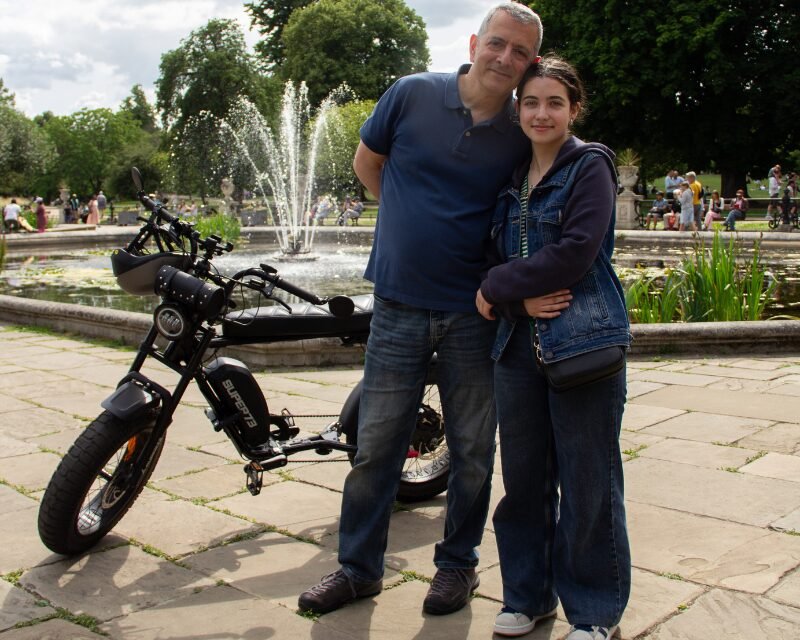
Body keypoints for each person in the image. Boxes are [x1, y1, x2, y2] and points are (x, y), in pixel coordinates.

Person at [298, 1, 544, 617]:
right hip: (398, 303)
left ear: (531, 62)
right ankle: (358, 569)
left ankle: (457, 566)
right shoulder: (410, 94)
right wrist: (410, 224)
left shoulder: (522, 132)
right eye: (497, 43)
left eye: (520, 51)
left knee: (471, 450)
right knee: (376, 446)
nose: (505, 57)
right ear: (474, 43)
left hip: (475, 313)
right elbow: (368, 164)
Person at [477, 56, 630, 640]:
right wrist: (514, 300)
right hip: (516, 345)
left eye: (555, 104)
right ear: (518, 110)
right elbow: (491, 258)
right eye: (532, 103)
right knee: (524, 483)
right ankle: (527, 597)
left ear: (574, 110)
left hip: (581, 343)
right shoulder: (511, 179)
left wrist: (495, 287)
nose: (542, 114)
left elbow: (574, 253)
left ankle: (593, 613)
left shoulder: (590, 167)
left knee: (589, 484)